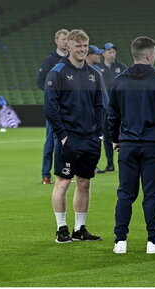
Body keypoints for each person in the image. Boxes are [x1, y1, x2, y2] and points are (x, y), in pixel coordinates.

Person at [108, 37, 155, 255]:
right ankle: (153, 242)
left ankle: (120, 241)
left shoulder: (120, 81)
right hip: (152, 146)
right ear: (150, 55)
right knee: (151, 195)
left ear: (134, 54)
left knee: (125, 194)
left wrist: (116, 138)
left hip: (128, 145)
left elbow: (112, 116)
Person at [44, 29, 104, 243]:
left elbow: (99, 106)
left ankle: (80, 229)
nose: (82, 50)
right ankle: (61, 229)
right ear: (68, 47)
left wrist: (98, 134)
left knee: (84, 182)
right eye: (78, 46)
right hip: (68, 138)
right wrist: (62, 135)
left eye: (85, 46)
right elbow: (51, 107)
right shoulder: (57, 72)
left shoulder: (94, 74)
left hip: (89, 138)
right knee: (63, 182)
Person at [36, 29, 72, 185]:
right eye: (63, 39)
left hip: (69, 107)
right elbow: (40, 81)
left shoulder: (72, 59)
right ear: (56, 41)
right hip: (55, 108)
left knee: (66, 141)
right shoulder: (51, 60)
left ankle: (64, 172)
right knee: (51, 142)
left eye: (67, 39)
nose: (65, 41)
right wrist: (53, 95)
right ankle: (46, 174)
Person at [96, 42, 128, 173]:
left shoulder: (122, 67)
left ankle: (125, 161)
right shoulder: (98, 68)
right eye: (109, 52)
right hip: (104, 108)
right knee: (107, 136)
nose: (112, 54)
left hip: (120, 107)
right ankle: (110, 163)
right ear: (103, 53)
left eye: (114, 52)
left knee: (124, 134)